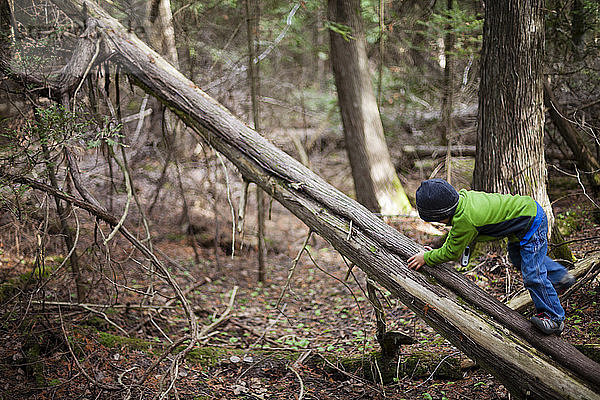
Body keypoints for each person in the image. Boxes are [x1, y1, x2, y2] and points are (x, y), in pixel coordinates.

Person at [407, 178, 574, 335]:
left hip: (531, 223)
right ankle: (560, 277)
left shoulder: (466, 220)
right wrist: (433, 252)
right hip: (522, 221)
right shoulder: (464, 200)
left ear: (439, 215)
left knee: (533, 275)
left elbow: (452, 251)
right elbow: (455, 239)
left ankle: (554, 318)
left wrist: (426, 258)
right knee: (520, 260)